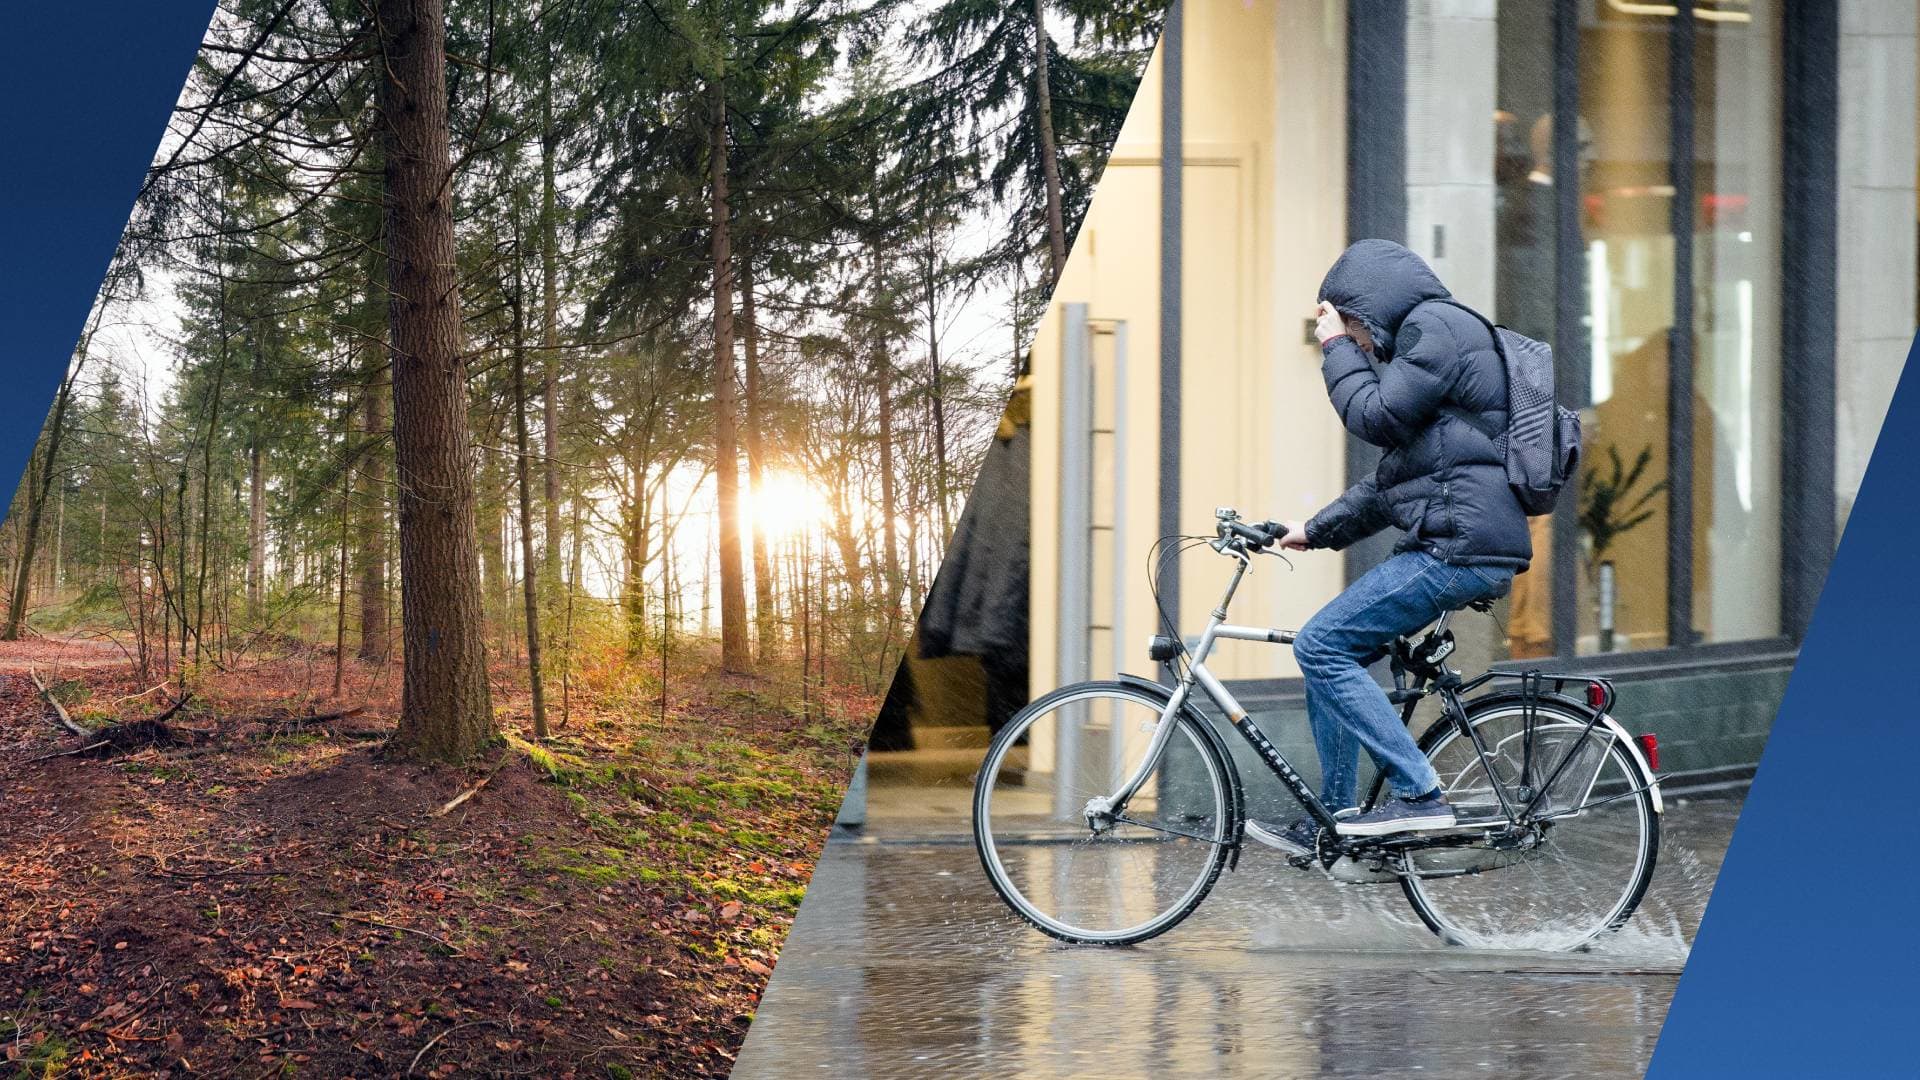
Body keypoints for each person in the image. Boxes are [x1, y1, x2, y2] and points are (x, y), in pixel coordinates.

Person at [1245, 239, 1532, 850]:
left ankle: (1420, 796)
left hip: (1457, 545)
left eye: (1352, 327)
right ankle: (1338, 818)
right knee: (1330, 648)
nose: (1364, 347)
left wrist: (1333, 348)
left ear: (1364, 310)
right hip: (1456, 537)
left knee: (1321, 645)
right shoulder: (1436, 342)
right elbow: (1391, 482)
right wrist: (1313, 532)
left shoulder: (1436, 329)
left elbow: (1370, 416)